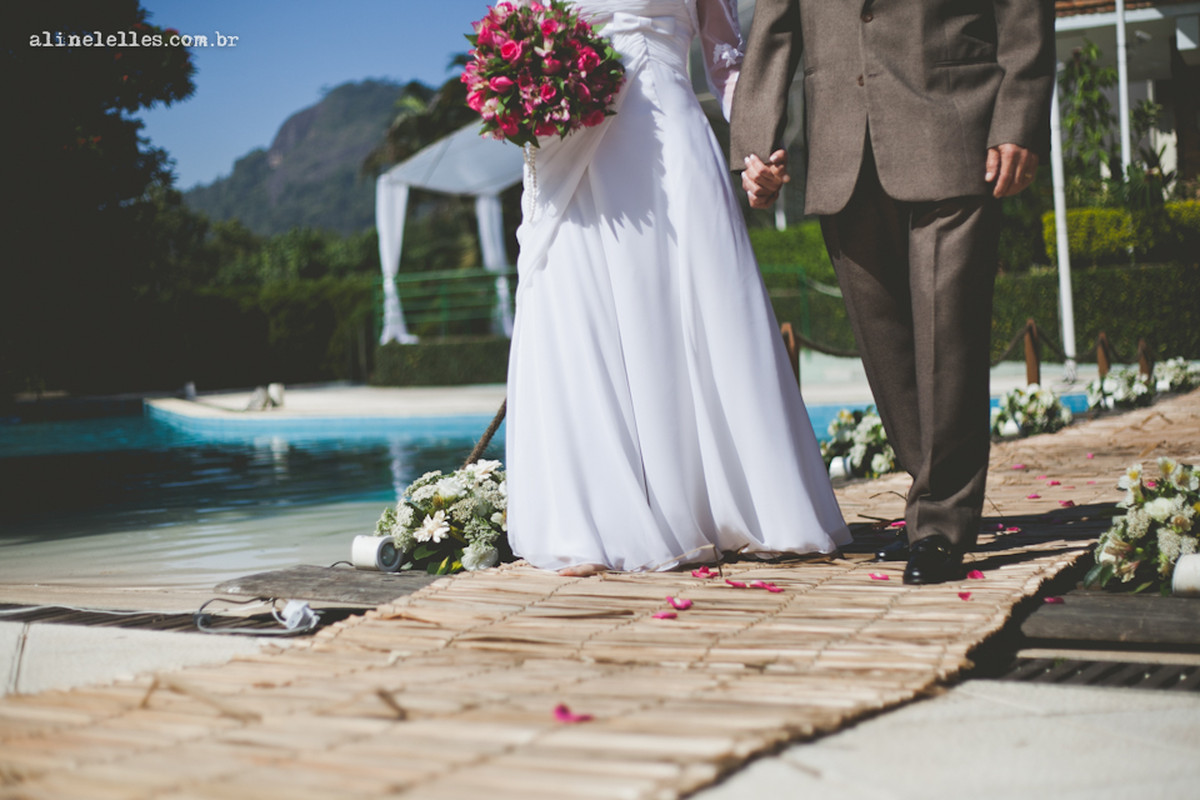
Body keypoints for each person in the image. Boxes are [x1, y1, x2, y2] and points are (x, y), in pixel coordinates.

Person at [505, 0, 851, 575]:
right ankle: (591, 521)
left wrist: (756, 147)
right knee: (579, 315)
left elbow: (728, 59)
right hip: (571, 144)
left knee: (690, 312)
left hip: (669, 138)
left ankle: (734, 508)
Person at [731, 0, 1055, 584]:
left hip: (956, 124)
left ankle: (938, 521)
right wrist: (755, 145)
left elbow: (1022, 9)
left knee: (948, 329)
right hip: (840, 144)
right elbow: (774, 27)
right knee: (884, 344)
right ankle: (931, 498)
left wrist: (1020, 116)